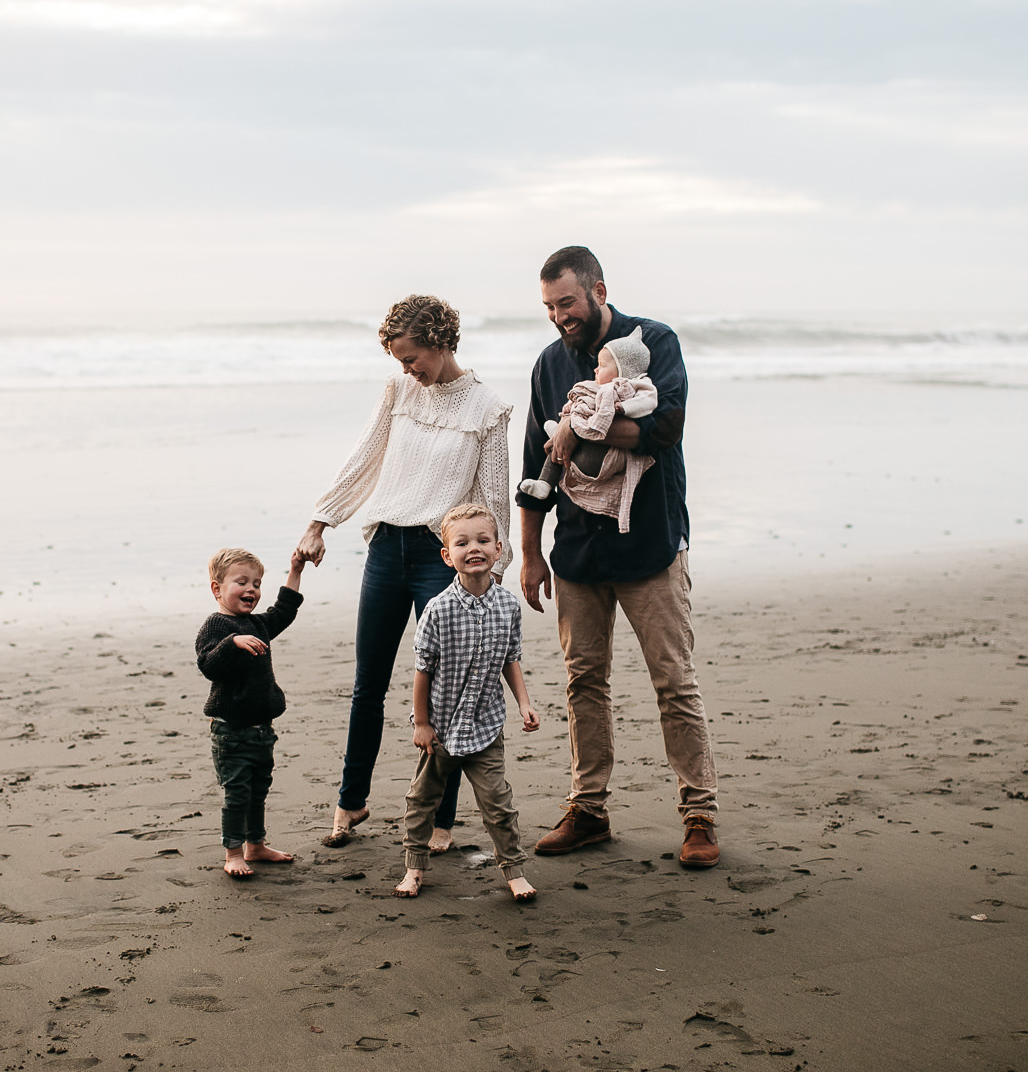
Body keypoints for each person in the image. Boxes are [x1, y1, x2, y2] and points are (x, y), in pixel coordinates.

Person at [516, 246, 720, 869]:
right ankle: (588, 809)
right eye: (549, 306)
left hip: (651, 541)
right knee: (584, 682)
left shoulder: (653, 342)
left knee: (673, 681)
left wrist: (577, 428)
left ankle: (699, 814)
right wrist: (528, 552)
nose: (559, 317)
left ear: (599, 289)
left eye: (568, 303)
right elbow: (536, 463)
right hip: (576, 549)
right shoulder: (549, 364)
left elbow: (664, 428)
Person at [299, 295, 513, 850]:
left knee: (441, 694)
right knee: (368, 683)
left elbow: (492, 499)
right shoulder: (398, 391)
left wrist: (494, 570)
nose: (406, 369)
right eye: (398, 360)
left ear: (441, 344)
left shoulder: (488, 409)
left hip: (439, 559)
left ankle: (441, 820)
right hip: (385, 550)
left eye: (411, 357)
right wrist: (321, 521)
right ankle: (352, 802)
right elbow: (365, 457)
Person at [396, 503, 539, 902]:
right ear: (447, 555)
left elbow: (511, 659)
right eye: (462, 543)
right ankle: (414, 868)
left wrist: (524, 703)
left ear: (498, 549)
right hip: (441, 727)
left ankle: (513, 870)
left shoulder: (508, 606)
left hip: (486, 725)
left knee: (498, 803)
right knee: (422, 800)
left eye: (482, 540)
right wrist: (421, 724)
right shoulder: (438, 610)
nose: (472, 548)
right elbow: (422, 671)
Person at [194, 547, 305, 878]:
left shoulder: (257, 623)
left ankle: (256, 846)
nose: (251, 590)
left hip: (261, 730)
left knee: (259, 790)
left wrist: (296, 570)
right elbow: (208, 665)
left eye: (256, 583)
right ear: (217, 588)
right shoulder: (215, 626)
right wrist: (233, 642)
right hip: (231, 732)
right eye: (241, 582)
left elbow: (284, 612)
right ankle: (233, 852)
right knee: (238, 793)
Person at [517, 329, 657, 532]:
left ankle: (559, 434)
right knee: (557, 447)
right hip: (579, 452)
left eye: (602, 366)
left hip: (598, 458)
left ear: (621, 368)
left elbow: (649, 402)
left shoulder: (633, 387)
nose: (596, 370)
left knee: (562, 439)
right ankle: (544, 483)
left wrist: (623, 408)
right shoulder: (590, 385)